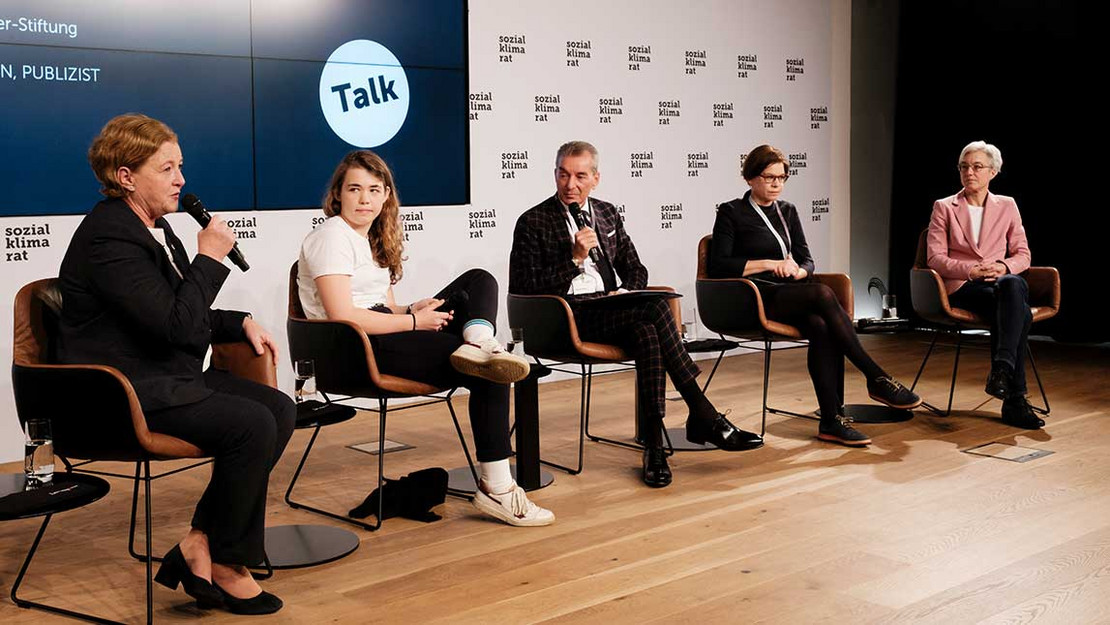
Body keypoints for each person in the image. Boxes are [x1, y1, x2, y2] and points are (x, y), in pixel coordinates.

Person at [58, 113, 294, 615]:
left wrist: (238, 322)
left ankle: (201, 542)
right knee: (251, 424)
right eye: (166, 169)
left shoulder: (153, 227)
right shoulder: (109, 238)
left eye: (180, 166)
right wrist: (209, 257)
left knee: (278, 409)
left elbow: (182, 310)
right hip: (123, 394)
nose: (181, 179)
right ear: (126, 177)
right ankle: (230, 562)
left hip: (167, 379)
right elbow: (176, 326)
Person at [297, 150, 553, 526]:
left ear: (386, 196)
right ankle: (497, 489)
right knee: (492, 370)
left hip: (384, 332)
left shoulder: (366, 240)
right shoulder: (331, 236)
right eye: (354, 189)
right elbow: (343, 315)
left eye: (373, 190)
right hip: (355, 348)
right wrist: (415, 323)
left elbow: (377, 305)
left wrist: (410, 310)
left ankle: (480, 339)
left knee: (478, 280)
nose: (364, 199)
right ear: (338, 195)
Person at [509, 140, 762, 489]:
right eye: (564, 175)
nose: (571, 184)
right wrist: (573, 260)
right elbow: (526, 287)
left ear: (595, 178)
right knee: (657, 307)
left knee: (646, 331)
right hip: (565, 317)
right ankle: (702, 412)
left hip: (610, 308)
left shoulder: (608, 213)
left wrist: (624, 293)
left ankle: (654, 448)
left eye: (580, 176)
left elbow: (635, 268)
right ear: (554, 175)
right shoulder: (532, 221)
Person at [708, 144, 922, 447]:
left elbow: (807, 260)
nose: (776, 184)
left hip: (789, 292)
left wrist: (799, 271)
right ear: (750, 178)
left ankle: (831, 421)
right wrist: (770, 264)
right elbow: (718, 265)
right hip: (753, 296)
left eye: (782, 178)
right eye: (769, 177)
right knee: (823, 293)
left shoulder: (788, 211)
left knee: (821, 327)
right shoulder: (732, 212)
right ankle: (875, 376)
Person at [927, 140, 1041, 429]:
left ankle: (1003, 374)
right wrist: (971, 270)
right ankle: (1013, 395)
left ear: (993, 172)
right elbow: (935, 258)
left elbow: (1022, 254)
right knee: (1021, 313)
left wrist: (1002, 266)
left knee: (1012, 285)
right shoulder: (944, 207)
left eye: (977, 167)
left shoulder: (1008, 205)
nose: (969, 172)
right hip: (963, 288)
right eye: (964, 167)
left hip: (999, 285)